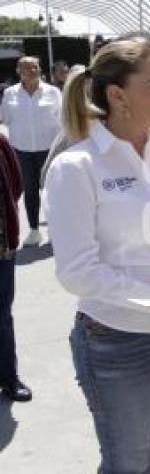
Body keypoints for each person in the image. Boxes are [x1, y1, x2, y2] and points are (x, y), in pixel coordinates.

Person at [43, 37, 150, 472]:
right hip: (117, 341)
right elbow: (77, 273)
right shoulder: (76, 167)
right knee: (128, 465)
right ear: (117, 95)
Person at [0, 56, 62, 246]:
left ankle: (56, 230)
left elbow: (63, 120)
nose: (32, 71)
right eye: (27, 68)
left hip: (49, 151)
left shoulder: (53, 92)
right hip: (22, 152)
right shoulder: (10, 94)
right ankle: (34, 231)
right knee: (30, 192)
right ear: (19, 71)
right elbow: (4, 119)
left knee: (52, 192)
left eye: (35, 67)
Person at [0, 133, 31, 402]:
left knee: (2, 315)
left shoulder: (1, 142)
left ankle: (9, 379)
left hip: (2, 247)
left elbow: (17, 185)